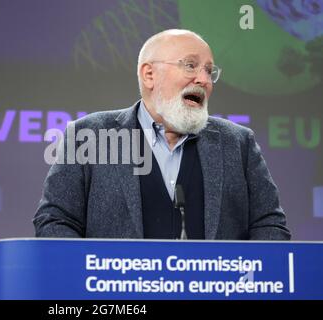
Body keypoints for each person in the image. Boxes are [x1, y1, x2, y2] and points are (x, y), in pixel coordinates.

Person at [33, 29, 291, 240]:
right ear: (149, 75)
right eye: (190, 66)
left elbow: (269, 224)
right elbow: (55, 220)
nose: (204, 80)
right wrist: (91, 276)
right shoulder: (89, 135)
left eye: (209, 71)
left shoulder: (237, 143)